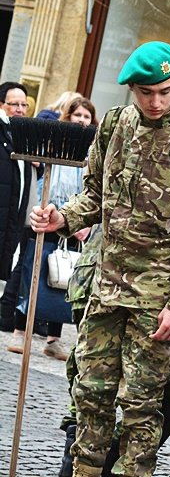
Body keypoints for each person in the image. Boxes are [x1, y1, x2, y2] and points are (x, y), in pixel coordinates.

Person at [28, 40, 170, 477]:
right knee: (90, 392)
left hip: (157, 296)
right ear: (130, 88)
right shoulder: (113, 124)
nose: (155, 103)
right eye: (145, 93)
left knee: (140, 403)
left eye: (163, 92)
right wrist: (61, 218)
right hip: (106, 285)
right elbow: (95, 196)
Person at [7, 97, 97, 359]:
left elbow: (91, 192)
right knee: (33, 273)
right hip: (47, 216)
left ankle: (53, 339)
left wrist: (83, 223)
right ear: (68, 117)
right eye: (77, 115)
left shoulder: (93, 152)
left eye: (86, 116)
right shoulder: (54, 145)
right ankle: (21, 331)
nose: (81, 120)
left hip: (75, 223)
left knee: (64, 279)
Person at [0, 81, 32, 330]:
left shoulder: (20, 135)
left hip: (11, 223)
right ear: (2, 105)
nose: (20, 109)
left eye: (24, 104)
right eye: (15, 104)